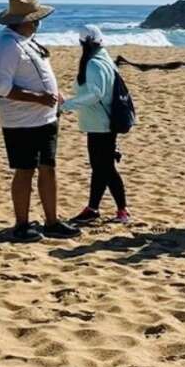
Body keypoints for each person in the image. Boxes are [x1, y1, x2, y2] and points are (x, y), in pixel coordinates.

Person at [0, 0, 79, 242]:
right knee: (25, 170)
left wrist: (52, 94)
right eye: (35, 19)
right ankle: (22, 223)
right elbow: (0, 87)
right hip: (22, 121)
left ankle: (51, 221)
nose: (38, 23)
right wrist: (38, 98)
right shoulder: (7, 44)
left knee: (48, 168)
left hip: (44, 118)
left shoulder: (25, 41)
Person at [60, 26, 131, 225]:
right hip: (104, 123)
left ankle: (121, 211)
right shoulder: (105, 59)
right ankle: (93, 208)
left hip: (100, 124)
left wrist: (67, 105)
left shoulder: (94, 64)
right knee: (101, 168)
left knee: (105, 168)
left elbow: (96, 94)